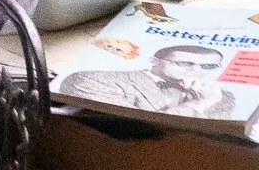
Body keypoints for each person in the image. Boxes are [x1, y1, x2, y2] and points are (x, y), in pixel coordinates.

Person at [56, 43, 226, 119]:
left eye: (207, 66)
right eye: (183, 63)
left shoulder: (222, 97)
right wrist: (196, 105)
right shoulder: (91, 80)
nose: (197, 70)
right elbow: (135, 127)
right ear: (154, 61)